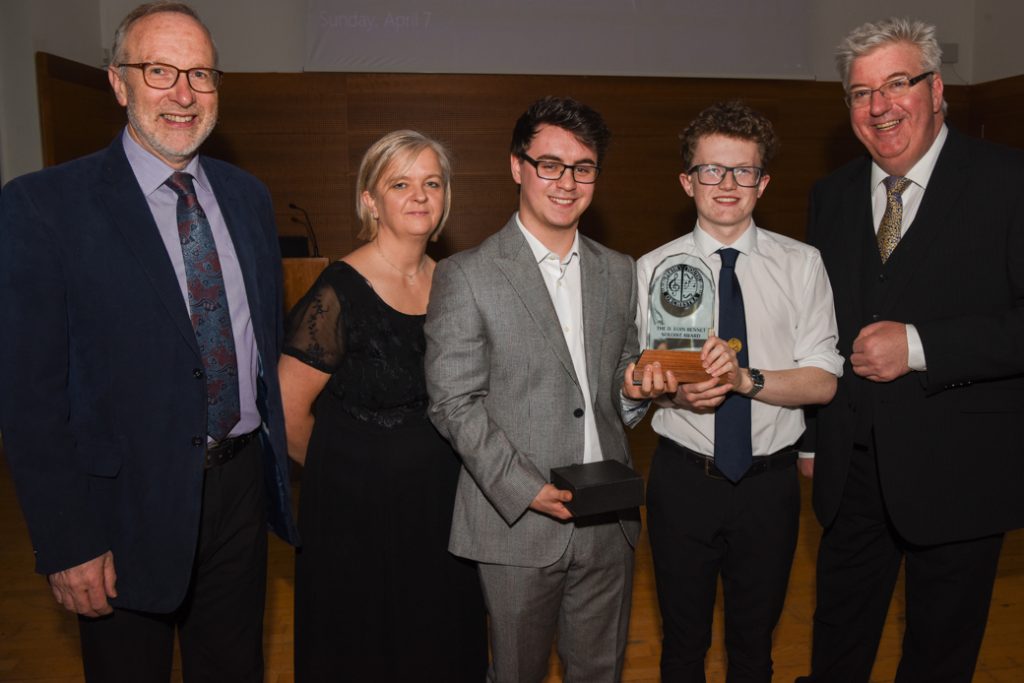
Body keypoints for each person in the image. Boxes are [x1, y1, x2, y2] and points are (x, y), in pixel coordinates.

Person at [0, 2, 298, 681]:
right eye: (159, 70)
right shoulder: (43, 207)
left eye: (200, 73)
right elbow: (29, 398)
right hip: (123, 508)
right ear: (117, 82)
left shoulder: (248, 196)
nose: (184, 94)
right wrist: (67, 539)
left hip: (239, 493)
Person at [797, 17, 1024, 683]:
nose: (879, 105)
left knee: (938, 657)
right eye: (861, 92)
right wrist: (811, 438)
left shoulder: (1010, 181)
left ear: (937, 89)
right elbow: (821, 325)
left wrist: (921, 345)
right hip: (851, 472)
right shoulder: (830, 196)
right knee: (836, 649)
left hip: (961, 472)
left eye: (897, 83)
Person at [425, 96, 642, 682]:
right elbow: (452, 403)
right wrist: (527, 489)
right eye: (550, 164)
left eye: (583, 167)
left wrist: (641, 385)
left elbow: (618, 387)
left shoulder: (620, 270)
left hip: (609, 519)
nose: (566, 182)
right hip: (517, 523)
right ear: (517, 166)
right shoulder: (466, 274)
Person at [626, 101, 841, 682]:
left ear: (762, 182)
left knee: (754, 649)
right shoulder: (650, 270)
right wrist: (672, 393)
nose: (726, 185)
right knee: (681, 647)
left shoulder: (802, 265)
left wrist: (745, 381)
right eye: (711, 170)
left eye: (743, 171)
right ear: (687, 180)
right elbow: (635, 374)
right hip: (682, 482)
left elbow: (823, 379)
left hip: (768, 488)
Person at [278, 130, 487, 681]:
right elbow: (286, 410)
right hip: (355, 514)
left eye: (431, 183)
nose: (419, 195)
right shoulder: (338, 289)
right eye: (401, 183)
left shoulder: (454, 281)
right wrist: (340, 472)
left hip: (442, 503)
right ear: (370, 200)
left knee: (439, 644)